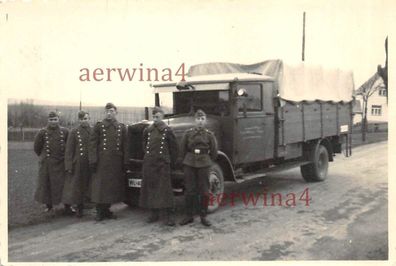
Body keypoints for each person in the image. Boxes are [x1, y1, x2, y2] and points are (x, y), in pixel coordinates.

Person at [139, 106, 178, 226]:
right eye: (154, 117)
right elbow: (144, 144)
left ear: (162, 116)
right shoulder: (148, 130)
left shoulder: (167, 130)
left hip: (162, 163)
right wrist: (148, 155)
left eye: (158, 117)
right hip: (150, 163)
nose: (155, 119)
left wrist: (169, 161)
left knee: (165, 190)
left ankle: (169, 215)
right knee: (151, 188)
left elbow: (174, 149)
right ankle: (154, 213)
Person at [88, 103, 128, 221]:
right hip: (102, 162)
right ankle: (100, 211)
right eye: (107, 111)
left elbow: (125, 146)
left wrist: (125, 161)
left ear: (116, 112)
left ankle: (107, 210)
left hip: (115, 162)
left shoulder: (121, 127)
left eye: (111, 111)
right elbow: (92, 145)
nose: (109, 113)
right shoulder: (99, 126)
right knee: (100, 187)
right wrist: (93, 160)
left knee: (111, 187)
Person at [179, 109, 218, 227]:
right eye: (198, 119)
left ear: (205, 121)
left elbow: (214, 151)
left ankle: (203, 216)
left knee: (204, 191)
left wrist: (207, 161)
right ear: (194, 120)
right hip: (189, 163)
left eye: (202, 119)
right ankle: (189, 216)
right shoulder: (188, 133)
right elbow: (182, 149)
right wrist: (184, 162)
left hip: (204, 163)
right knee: (189, 190)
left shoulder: (209, 135)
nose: (200, 121)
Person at [33, 111, 72, 214]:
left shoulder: (65, 132)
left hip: (61, 163)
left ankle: (67, 206)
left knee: (64, 185)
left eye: (55, 119)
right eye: (51, 120)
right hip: (47, 164)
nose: (53, 122)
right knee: (47, 185)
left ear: (59, 120)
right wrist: (44, 157)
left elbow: (69, 147)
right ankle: (48, 206)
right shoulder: (42, 132)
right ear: (48, 120)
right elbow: (37, 148)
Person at [62, 111, 92, 218]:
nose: (85, 121)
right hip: (78, 163)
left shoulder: (92, 131)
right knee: (77, 186)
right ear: (79, 120)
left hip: (89, 163)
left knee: (89, 185)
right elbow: (69, 150)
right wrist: (69, 165)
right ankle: (79, 208)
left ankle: (88, 205)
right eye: (83, 119)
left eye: (87, 118)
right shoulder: (74, 132)